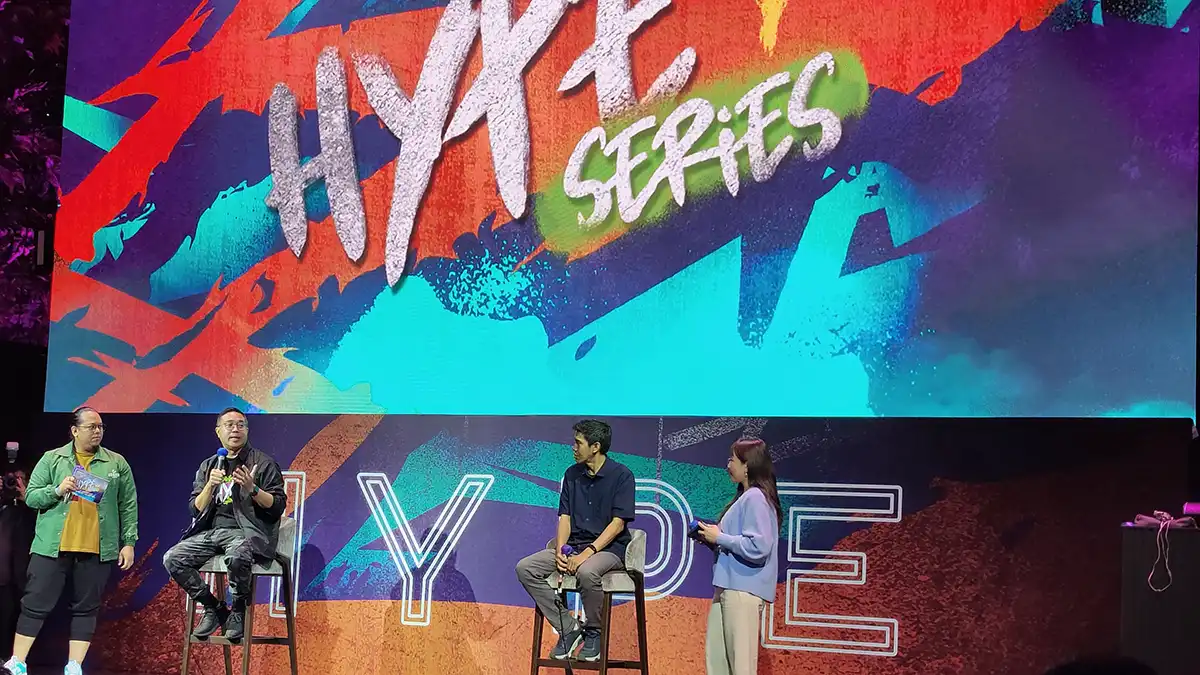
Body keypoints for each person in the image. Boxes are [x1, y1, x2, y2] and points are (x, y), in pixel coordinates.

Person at [2, 408, 139, 675]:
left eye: (100, 427)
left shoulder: (116, 463)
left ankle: (74, 666)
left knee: (86, 608)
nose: (97, 431)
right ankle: (18, 662)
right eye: (91, 427)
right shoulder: (53, 459)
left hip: (97, 548)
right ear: (75, 431)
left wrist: (129, 542)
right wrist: (57, 490)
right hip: (52, 548)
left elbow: (128, 504)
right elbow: (32, 497)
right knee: (34, 603)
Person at [162, 408, 287, 643]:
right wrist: (210, 486)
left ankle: (238, 610)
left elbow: (277, 506)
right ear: (218, 431)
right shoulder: (210, 465)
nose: (235, 430)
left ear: (247, 430)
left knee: (237, 555)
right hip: (212, 533)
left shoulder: (262, 463)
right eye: (229, 425)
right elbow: (195, 509)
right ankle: (214, 608)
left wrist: (253, 489)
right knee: (173, 558)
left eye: (241, 425)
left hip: (247, 532)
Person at [515, 420, 635, 662]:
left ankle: (594, 633)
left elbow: (618, 524)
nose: (573, 447)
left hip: (607, 550)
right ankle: (569, 627)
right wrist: (561, 550)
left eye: (578, 443)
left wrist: (586, 553)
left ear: (595, 446)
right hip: (574, 547)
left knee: (587, 572)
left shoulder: (622, 476)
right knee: (525, 568)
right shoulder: (571, 475)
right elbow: (565, 518)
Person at [695, 438, 782, 675]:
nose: (728, 465)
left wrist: (720, 538)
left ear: (747, 466)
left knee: (741, 667)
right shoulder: (744, 498)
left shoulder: (755, 497)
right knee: (718, 665)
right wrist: (713, 539)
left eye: (732, 459)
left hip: (743, 591)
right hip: (727, 587)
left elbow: (759, 546)